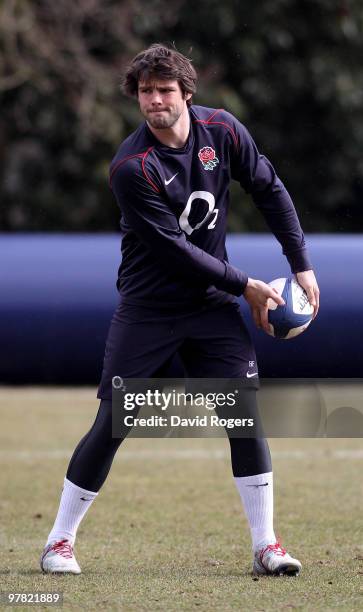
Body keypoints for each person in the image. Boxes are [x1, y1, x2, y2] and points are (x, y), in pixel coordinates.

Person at [40, 44, 320, 576]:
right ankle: (59, 542)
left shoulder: (223, 131)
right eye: (145, 91)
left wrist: (300, 262)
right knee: (114, 422)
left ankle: (267, 547)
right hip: (149, 309)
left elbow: (269, 187)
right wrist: (248, 285)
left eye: (165, 90)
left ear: (187, 94)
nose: (154, 100)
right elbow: (176, 251)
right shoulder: (131, 166)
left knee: (243, 416)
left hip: (210, 308)